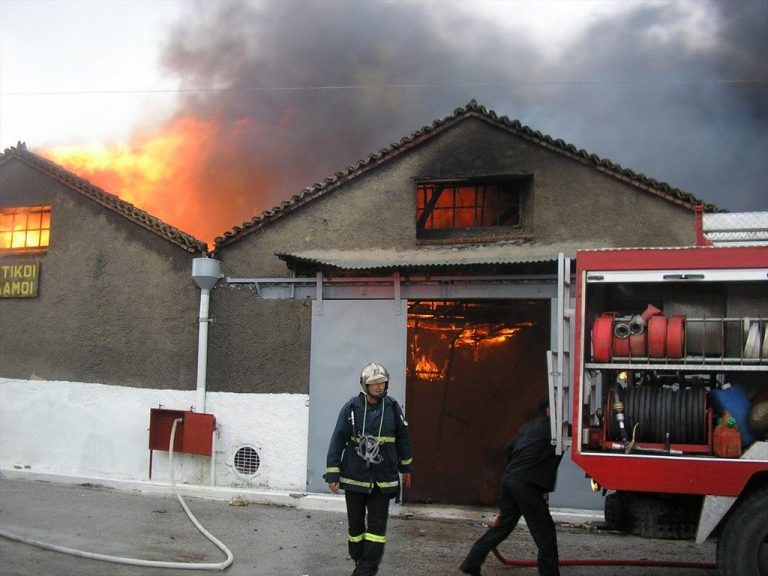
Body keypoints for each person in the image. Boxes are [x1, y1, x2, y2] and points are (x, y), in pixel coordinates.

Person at [324, 362, 414, 576]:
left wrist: (406, 468)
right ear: (365, 385)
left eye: (382, 383)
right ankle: (359, 560)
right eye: (374, 383)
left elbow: (403, 439)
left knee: (376, 530)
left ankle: (366, 569)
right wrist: (333, 473)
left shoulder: (392, 408)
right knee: (355, 529)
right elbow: (338, 439)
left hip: (382, 481)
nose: (379, 387)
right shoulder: (352, 408)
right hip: (355, 478)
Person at [459, 396, 563, 576]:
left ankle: (471, 562)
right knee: (545, 534)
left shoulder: (528, 427)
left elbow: (508, 449)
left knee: (503, 526)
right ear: (548, 409)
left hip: (510, 480)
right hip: (526, 485)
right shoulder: (555, 430)